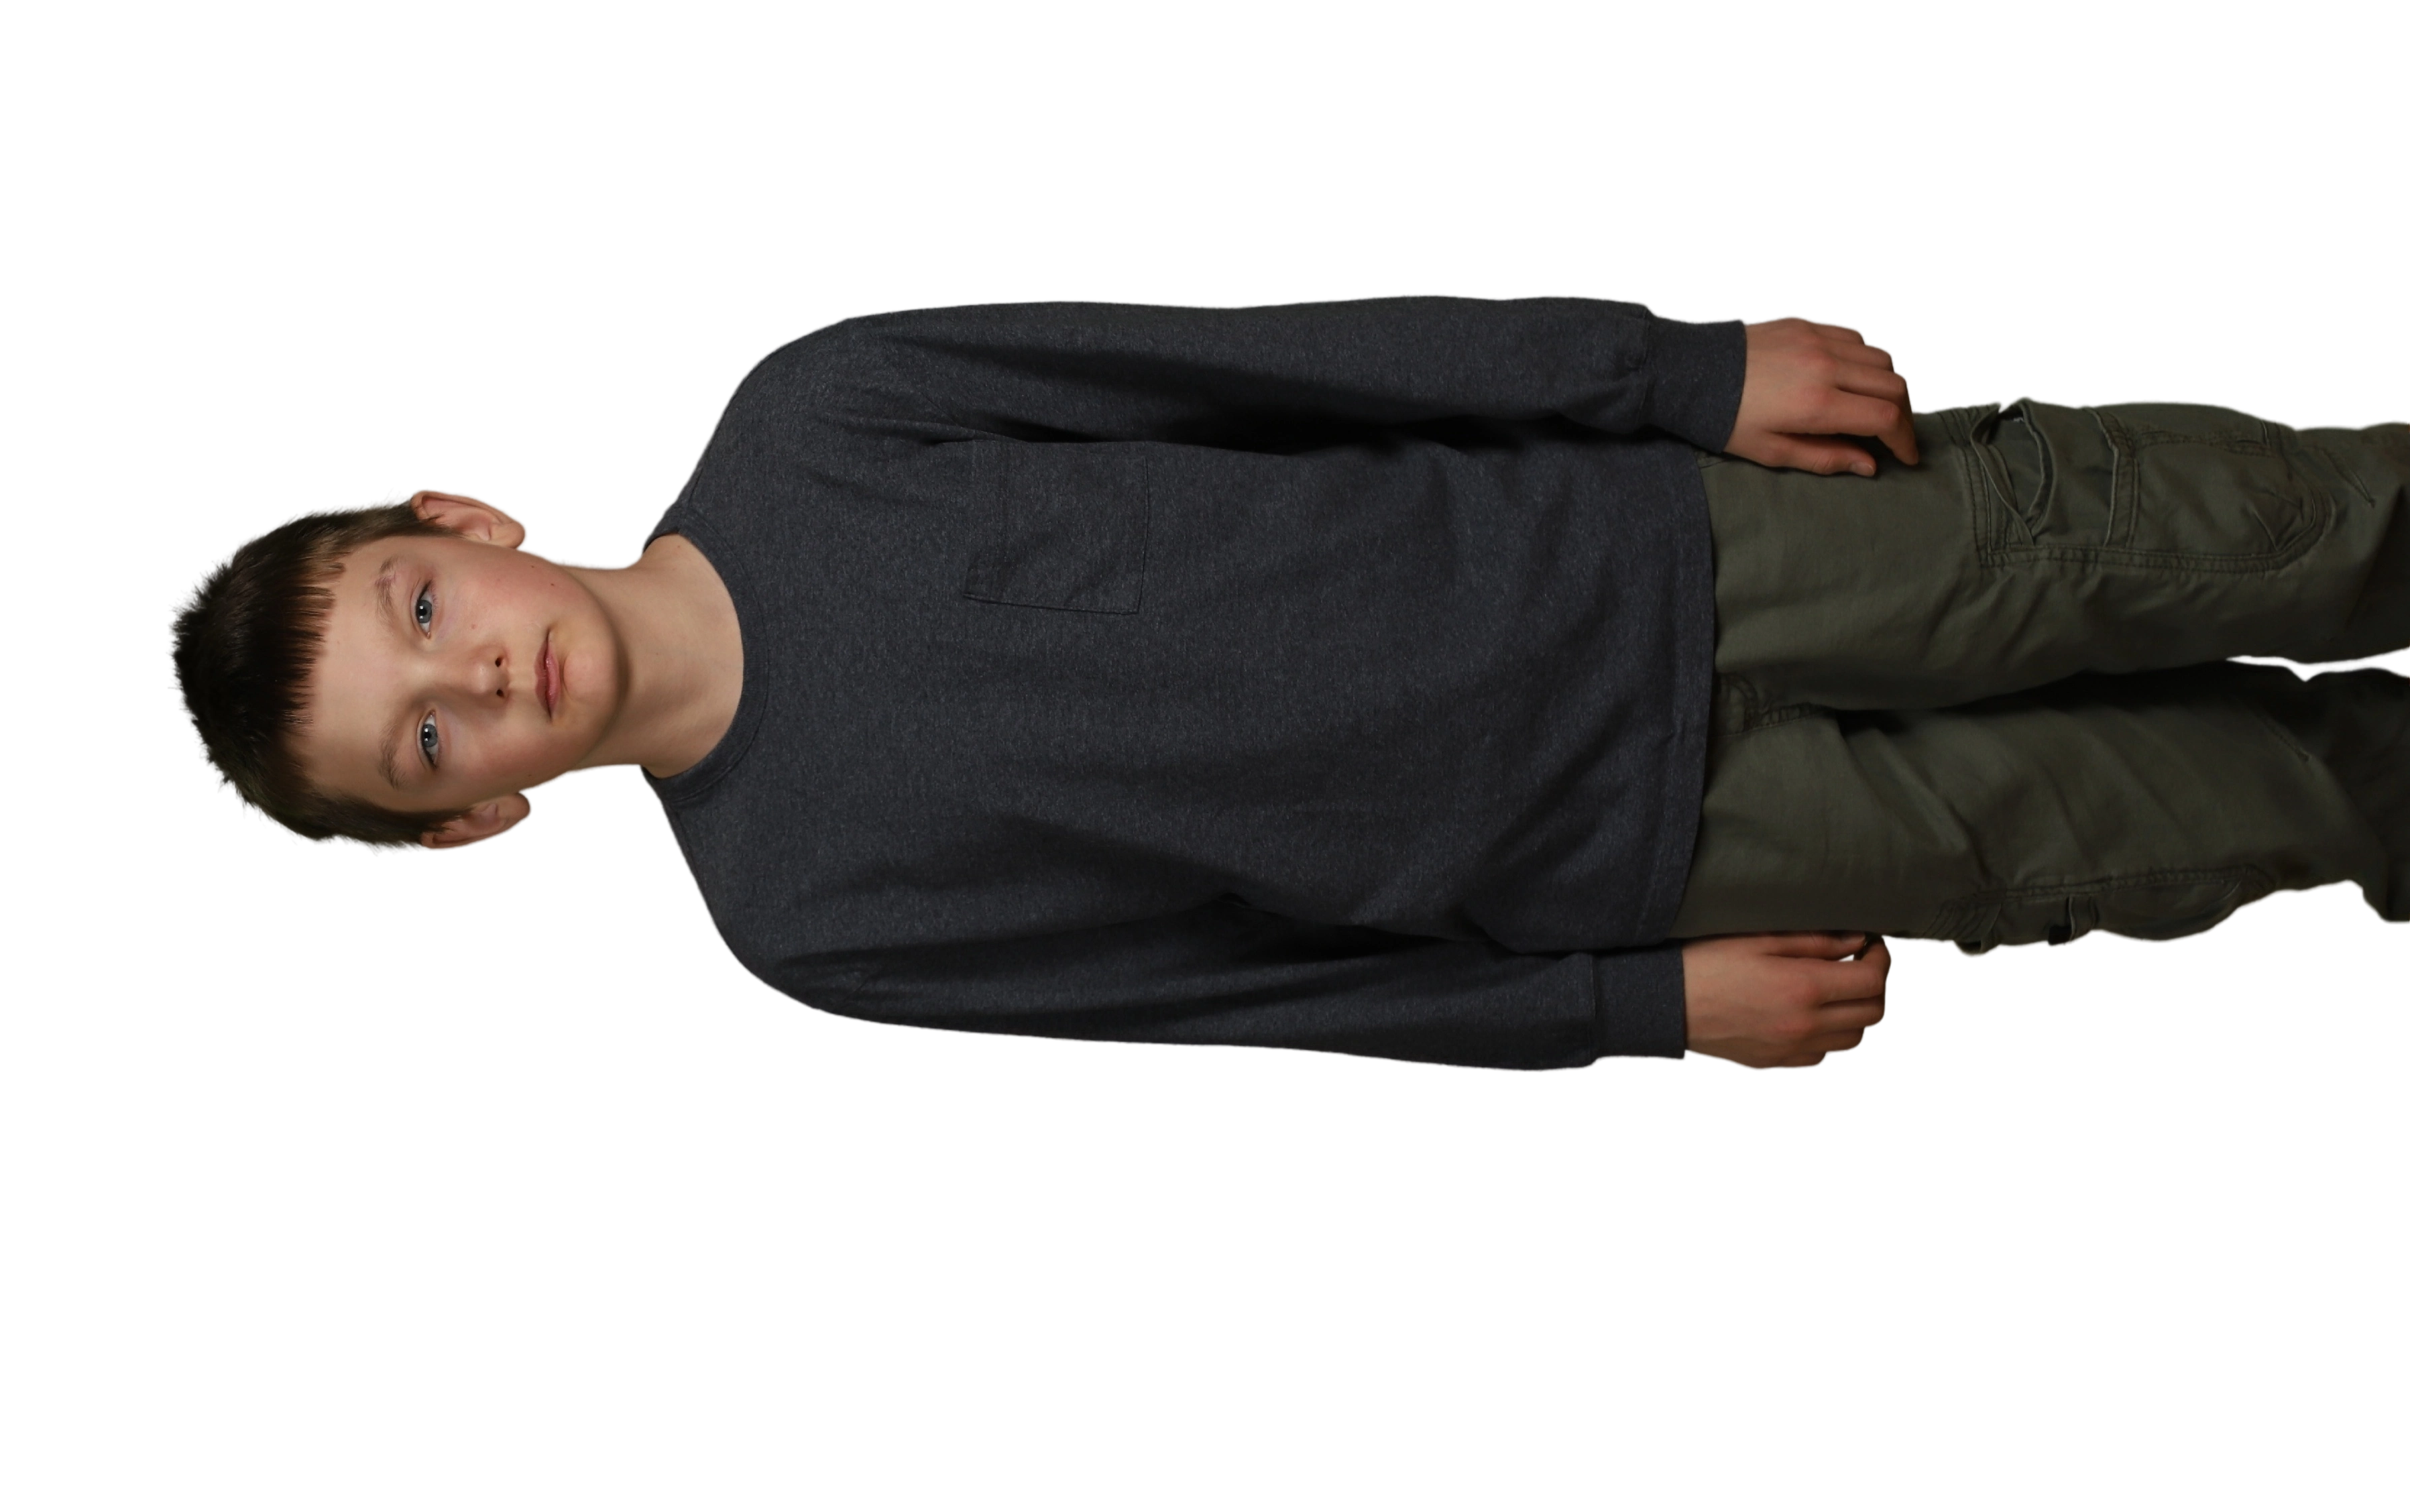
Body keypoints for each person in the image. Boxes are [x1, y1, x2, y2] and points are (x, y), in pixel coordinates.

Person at [162, 294, 2410, 1077]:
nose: (480, 676)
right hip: (1647, 856)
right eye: (428, 740)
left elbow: (1283, 370)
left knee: (2213, 542)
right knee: (2193, 818)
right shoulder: (807, 920)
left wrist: (1671, 375)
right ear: (472, 817)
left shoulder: (821, 417)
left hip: (1670, 550)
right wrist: (1627, 1007)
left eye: (419, 610)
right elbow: (1235, 990)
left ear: (460, 518)